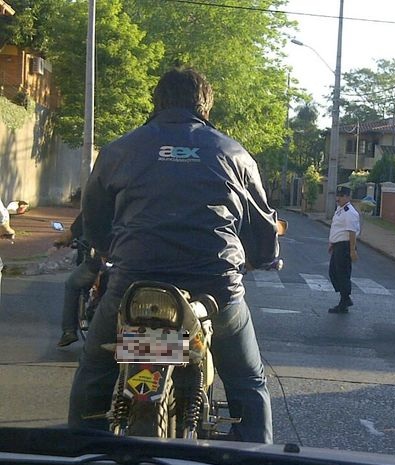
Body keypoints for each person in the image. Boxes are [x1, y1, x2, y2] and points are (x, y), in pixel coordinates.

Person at [68, 67, 279, 443]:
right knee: (247, 379)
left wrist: (111, 252)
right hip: (214, 292)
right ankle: (256, 463)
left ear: (156, 102)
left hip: (133, 290)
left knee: (95, 368)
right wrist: (263, 257)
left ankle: (77, 455)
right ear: (206, 106)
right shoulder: (233, 152)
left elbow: (93, 221)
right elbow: (262, 228)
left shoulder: (120, 150)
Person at [52, 213, 102, 347]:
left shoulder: (105, 196)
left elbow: (86, 217)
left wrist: (65, 238)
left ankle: (69, 331)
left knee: (72, 284)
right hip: (153, 268)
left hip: (107, 262)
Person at [328, 185, 360, 314]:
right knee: (333, 272)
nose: (338, 198)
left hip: (345, 246)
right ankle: (345, 298)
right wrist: (332, 243)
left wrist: (352, 250)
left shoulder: (350, 212)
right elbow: (337, 228)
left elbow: (351, 233)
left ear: (348, 197)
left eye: (342, 196)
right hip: (338, 245)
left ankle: (344, 301)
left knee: (342, 274)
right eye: (338, 195)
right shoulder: (340, 210)